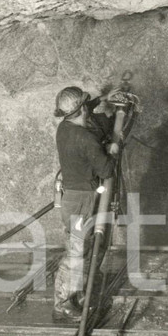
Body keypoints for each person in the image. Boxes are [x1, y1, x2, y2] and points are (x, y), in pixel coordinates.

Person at [52, 86, 121, 323]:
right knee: (76, 254)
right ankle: (62, 305)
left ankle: (78, 295)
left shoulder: (65, 127)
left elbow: (82, 109)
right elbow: (106, 169)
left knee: (82, 249)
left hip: (74, 197)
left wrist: (104, 98)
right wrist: (112, 150)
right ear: (81, 109)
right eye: (86, 105)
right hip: (82, 201)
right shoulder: (85, 138)